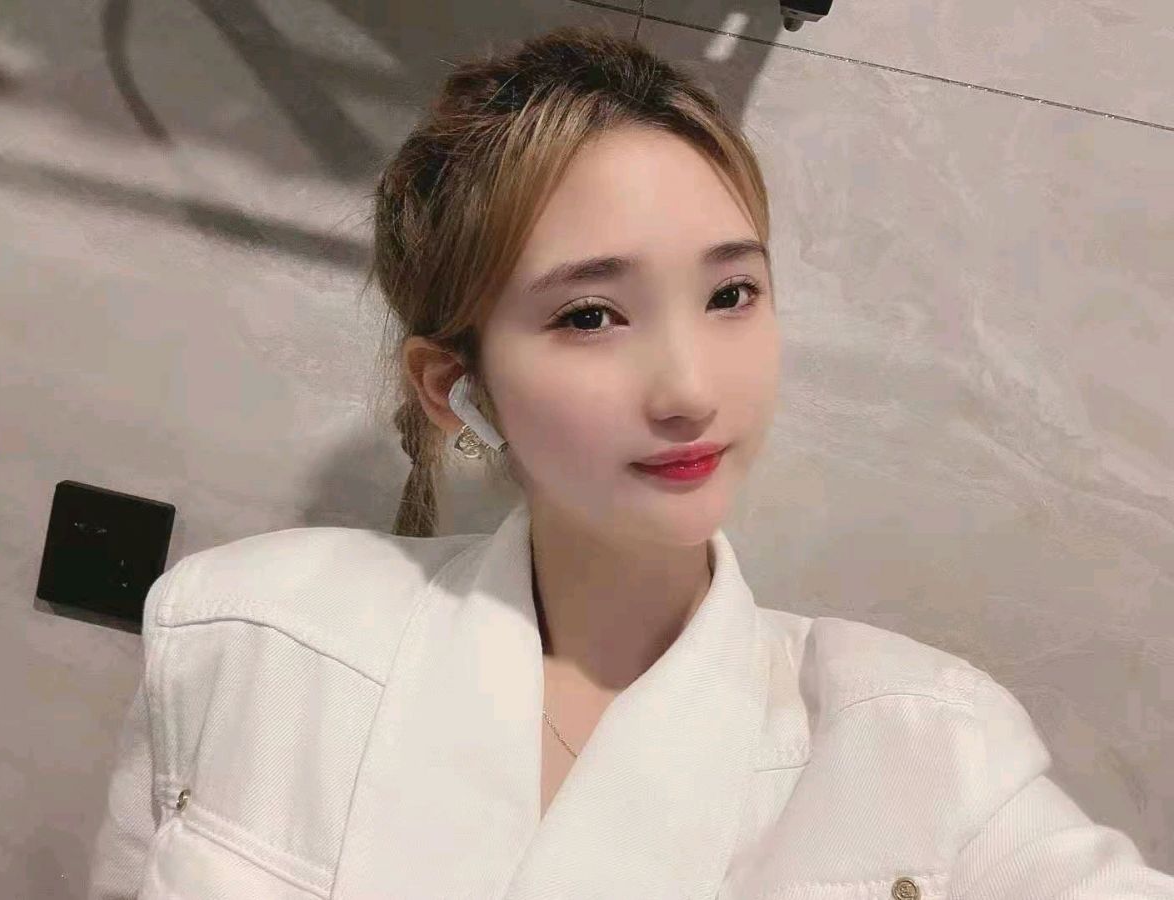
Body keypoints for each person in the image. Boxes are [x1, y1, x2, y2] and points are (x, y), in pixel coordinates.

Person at [88, 23, 1174, 899]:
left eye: (732, 294)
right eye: (591, 315)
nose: (690, 389)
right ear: (457, 388)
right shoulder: (244, 642)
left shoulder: (927, 752)